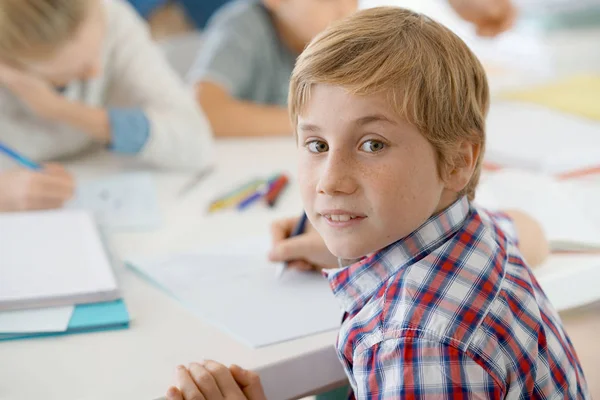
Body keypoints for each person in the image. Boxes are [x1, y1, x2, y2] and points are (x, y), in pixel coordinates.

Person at [166, 6, 589, 399]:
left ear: (460, 160)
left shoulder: (417, 346)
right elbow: (526, 229)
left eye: (372, 144)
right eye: (316, 143)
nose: (330, 181)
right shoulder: (474, 231)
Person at [0, 0, 213, 212]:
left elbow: (196, 140)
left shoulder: (112, 17)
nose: (96, 72)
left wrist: (59, 109)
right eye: (69, 74)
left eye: (98, 47)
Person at [189, 0, 516, 138]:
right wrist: (320, 127)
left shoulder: (344, 34)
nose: (344, 11)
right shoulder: (243, 27)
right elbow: (203, 112)